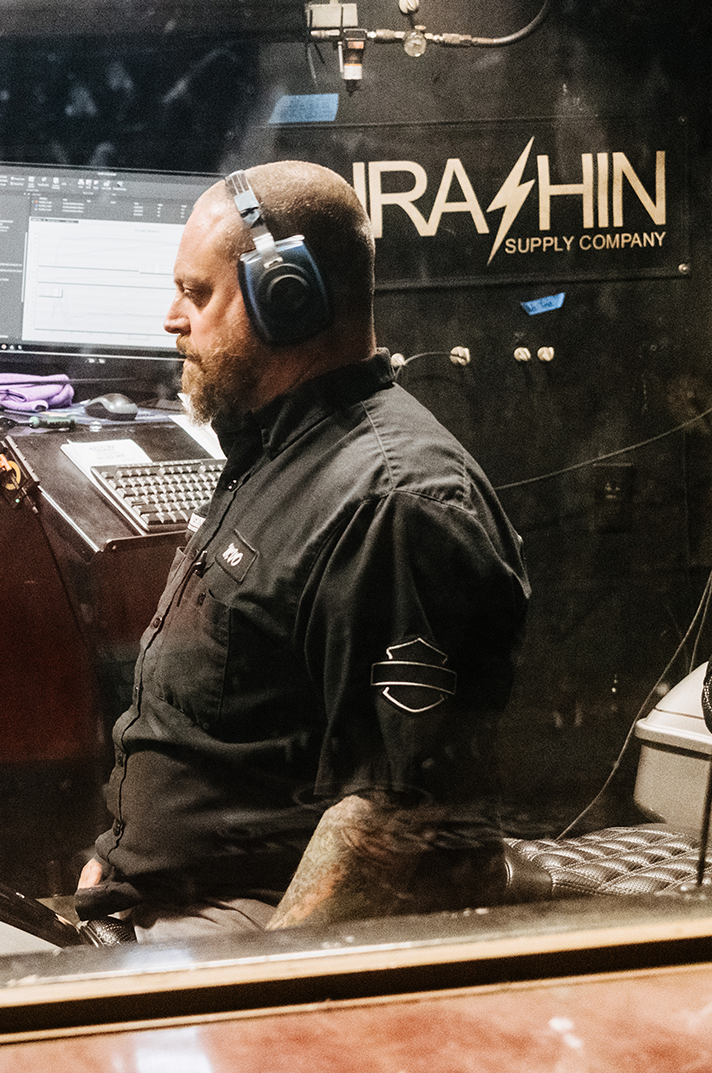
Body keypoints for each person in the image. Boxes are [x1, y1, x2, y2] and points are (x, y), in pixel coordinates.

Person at [74, 161, 530, 938]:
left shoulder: (394, 504)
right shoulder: (277, 450)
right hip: (168, 899)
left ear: (288, 296)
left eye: (197, 293)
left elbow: (393, 817)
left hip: (259, 930)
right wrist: (118, 861)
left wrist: (264, 988)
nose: (171, 319)